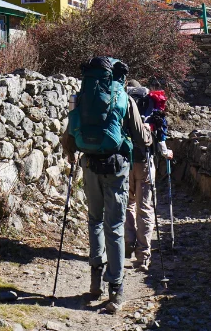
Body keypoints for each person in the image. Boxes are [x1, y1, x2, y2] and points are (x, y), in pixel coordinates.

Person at [62, 57, 152, 313]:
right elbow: (140, 137)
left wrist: (70, 154)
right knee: (114, 226)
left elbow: (69, 134)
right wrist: (149, 135)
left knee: (95, 221)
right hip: (116, 168)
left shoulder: (83, 96)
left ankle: (95, 282)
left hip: (89, 164)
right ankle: (115, 288)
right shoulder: (123, 97)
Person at [125, 80, 173, 272]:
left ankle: (128, 241)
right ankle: (143, 255)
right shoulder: (150, 104)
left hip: (125, 161)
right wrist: (166, 153)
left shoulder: (123, 101)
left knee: (127, 203)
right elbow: (160, 135)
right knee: (144, 207)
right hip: (145, 161)